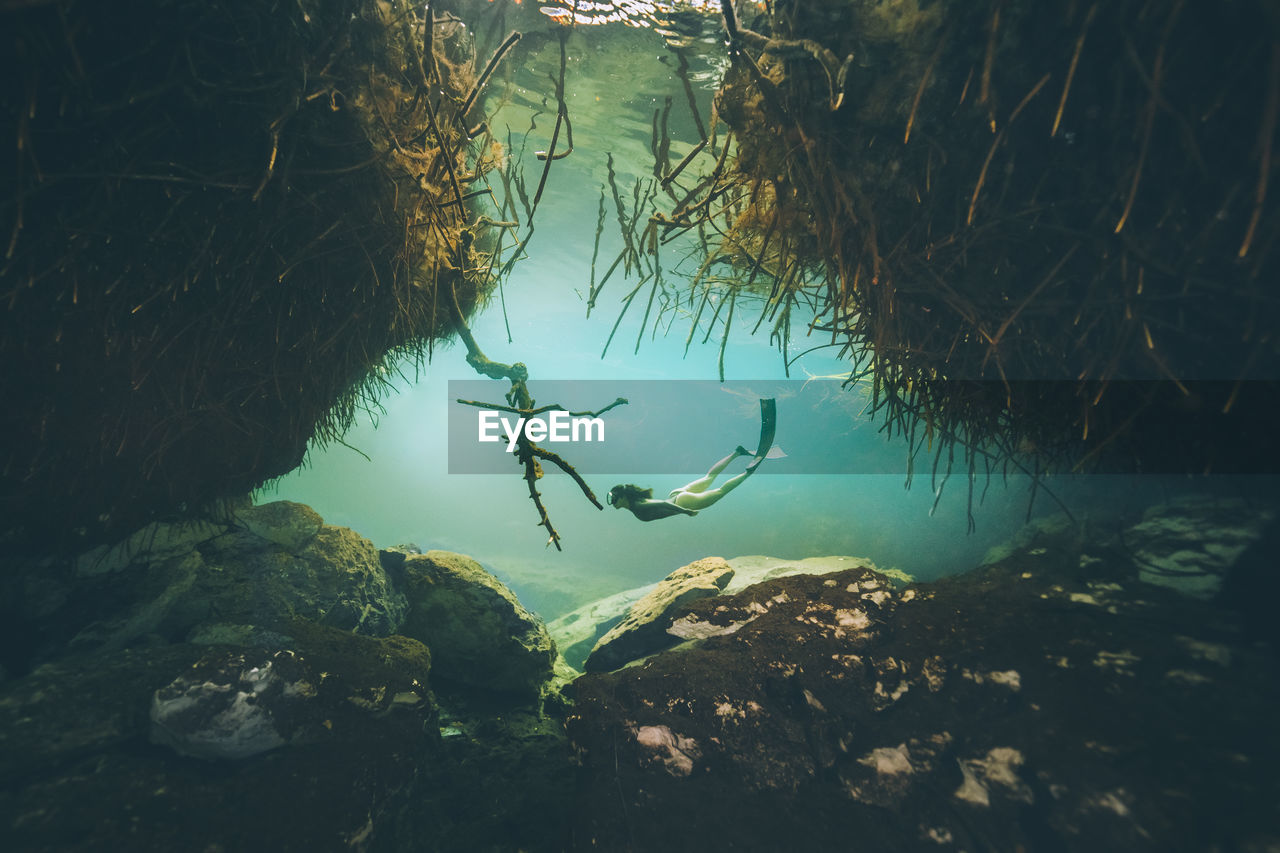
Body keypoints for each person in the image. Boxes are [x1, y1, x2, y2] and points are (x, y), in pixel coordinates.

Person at [607, 398, 778, 522]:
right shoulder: (636, 504)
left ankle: (748, 472)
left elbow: (660, 504)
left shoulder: (638, 506)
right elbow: (660, 503)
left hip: (682, 501)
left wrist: (685, 511)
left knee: (720, 492)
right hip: (676, 495)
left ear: (623, 497)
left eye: (613, 498)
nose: (612, 502)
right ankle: (736, 453)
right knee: (708, 478)